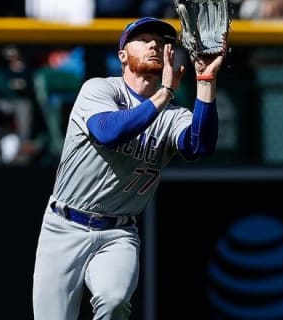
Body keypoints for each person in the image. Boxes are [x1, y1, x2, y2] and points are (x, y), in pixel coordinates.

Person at [32, 17, 225, 319]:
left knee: (114, 301)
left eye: (161, 42)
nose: (154, 45)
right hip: (63, 226)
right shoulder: (99, 90)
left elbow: (199, 146)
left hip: (117, 233)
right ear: (122, 54)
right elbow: (109, 132)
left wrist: (205, 83)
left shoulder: (173, 115)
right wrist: (165, 93)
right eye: (144, 38)